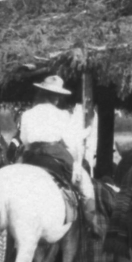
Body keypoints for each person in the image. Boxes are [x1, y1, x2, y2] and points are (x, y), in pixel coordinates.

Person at [16, 75, 94, 211]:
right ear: (57, 97)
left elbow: (24, 140)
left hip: (32, 155)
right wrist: (85, 132)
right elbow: (70, 141)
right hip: (56, 154)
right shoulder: (62, 115)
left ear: (41, 93)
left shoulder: (27, 114)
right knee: (85, 182)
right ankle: (91, 219)